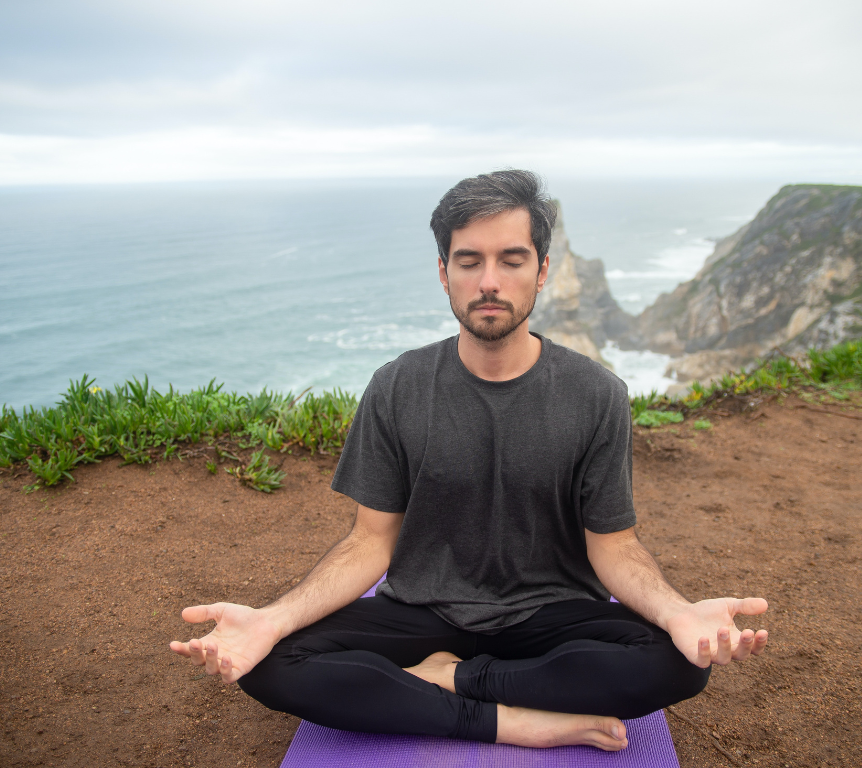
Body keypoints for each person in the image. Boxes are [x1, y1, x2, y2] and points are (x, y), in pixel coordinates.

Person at [169, 170, 768, 752]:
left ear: (542, 271)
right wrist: (271, 620)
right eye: (468, 261)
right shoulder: (396, 386)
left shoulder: (596, 393)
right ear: (443, 271)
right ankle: (515, 721)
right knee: (268, 663)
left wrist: (680, 611)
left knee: (681, 666)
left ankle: (448, 684)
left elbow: (613, 546)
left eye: (511, 260)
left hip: (551, 617)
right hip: (422, 613)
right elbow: (369, 542)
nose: (490, 281)